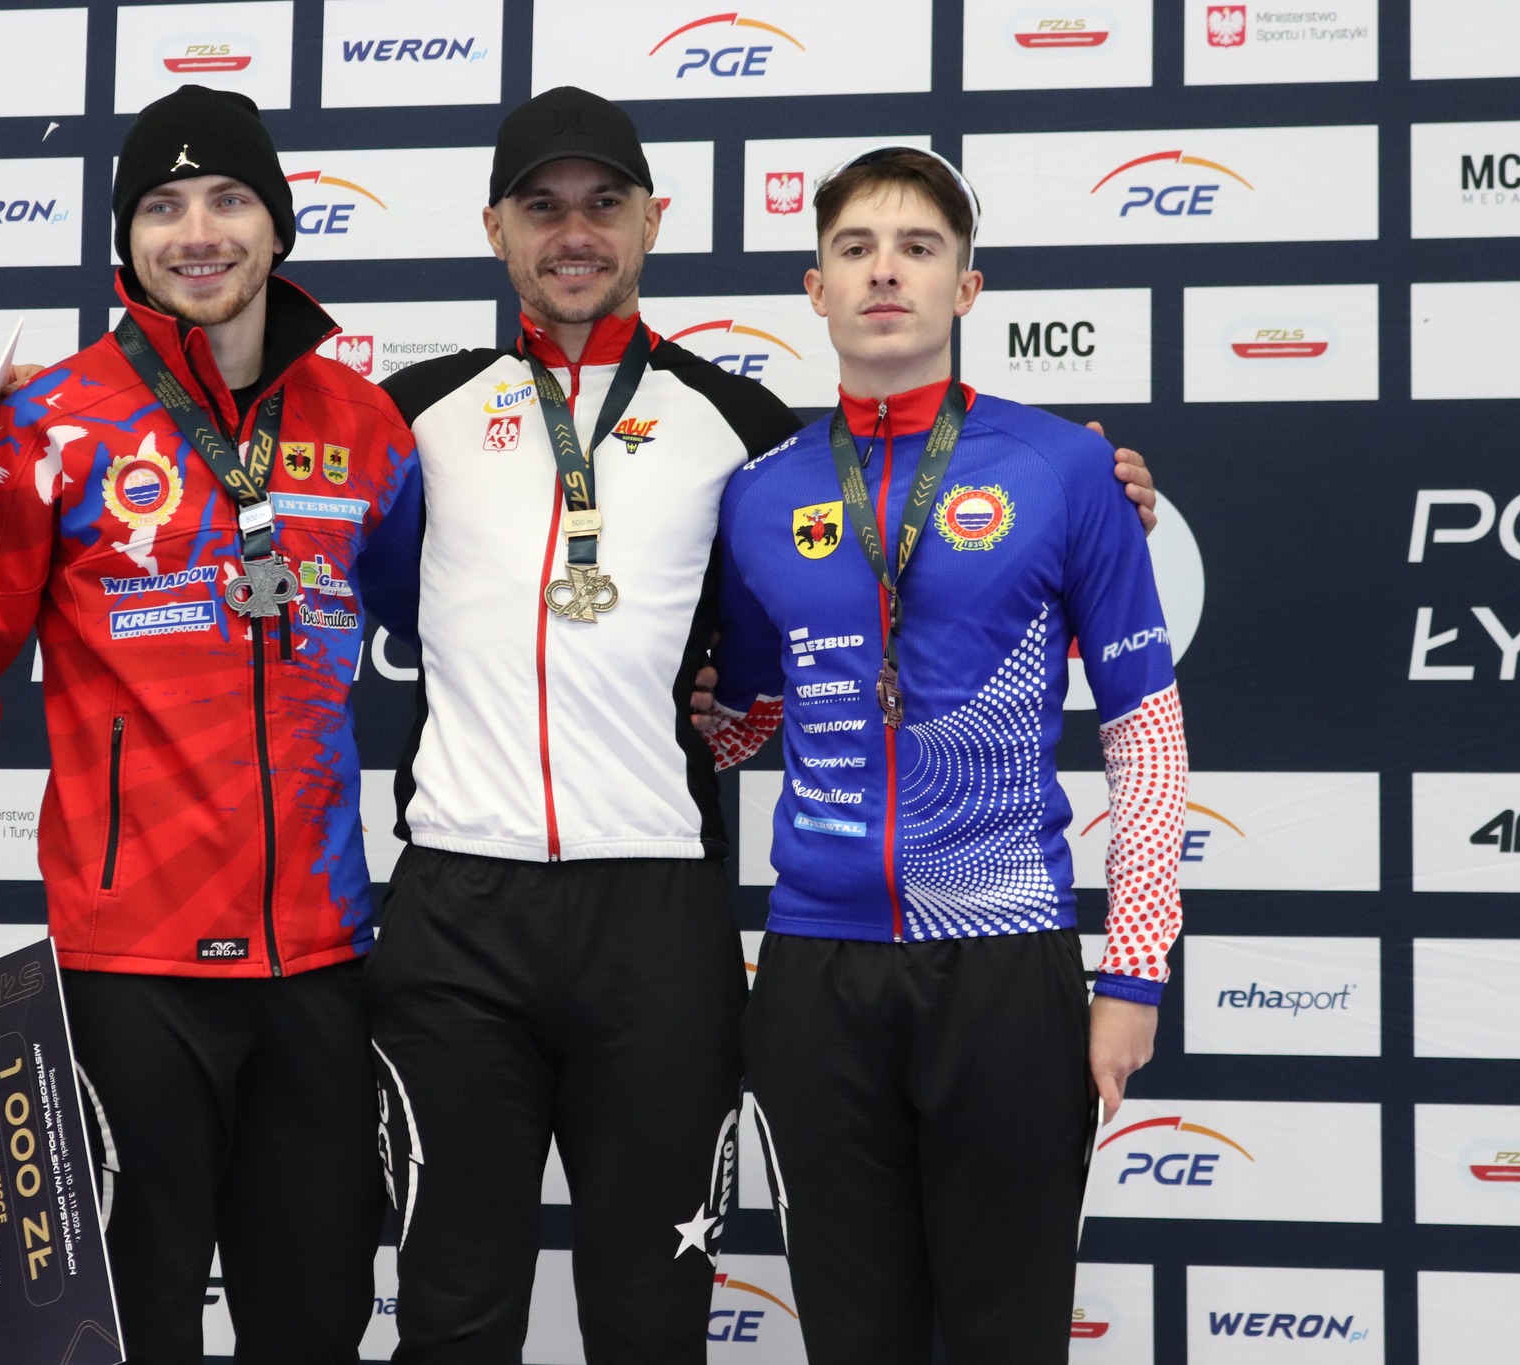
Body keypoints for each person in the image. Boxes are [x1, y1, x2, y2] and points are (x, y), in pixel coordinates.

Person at [359, 91, 1160, 1364]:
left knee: (660, 1316)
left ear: (652, 222)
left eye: (604, 203)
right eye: (542, 207)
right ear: (495, 229)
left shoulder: (744, 434)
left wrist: (1105, 493)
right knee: (453, 1311)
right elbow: (269, 498)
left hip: (680, 912)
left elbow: (798, 644)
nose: (574, 232)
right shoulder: (408, 416)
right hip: (472, 907)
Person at [0, 85, 414, 1363]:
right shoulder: (46, 425)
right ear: (125, 239)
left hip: (321, 964)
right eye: (162, 207)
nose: (198, 233)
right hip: (129, 974)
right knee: (127, 1330)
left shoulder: (363, 425)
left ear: (277, 226)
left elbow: (469, 626)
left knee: (315, 1328)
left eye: (228, 200)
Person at [705, 146, 1186, 1364]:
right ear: (814, 288)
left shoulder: (1063, 468)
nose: (885, 272)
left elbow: (1145, 734)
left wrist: (1132, 977)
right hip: (812, 974)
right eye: (855, 248)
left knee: (1003, 1335)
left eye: (917, 248)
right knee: (850, 1337)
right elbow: (748, 719)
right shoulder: (758, 494)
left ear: (964, 288)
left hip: (1003, 961)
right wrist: (698, 718)